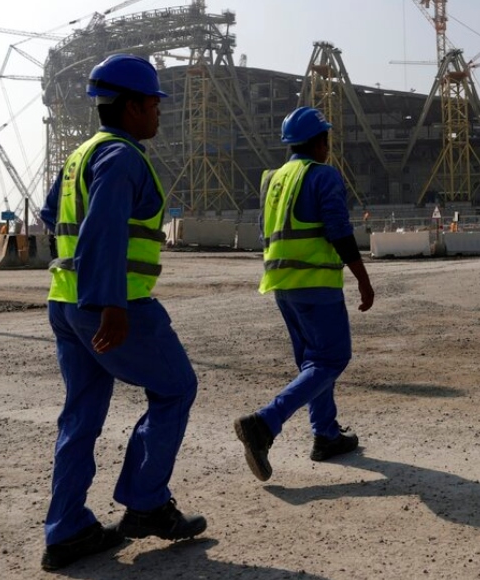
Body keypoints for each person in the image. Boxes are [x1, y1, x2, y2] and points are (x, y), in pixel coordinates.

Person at [39, 54, 206, 571]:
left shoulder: (79, 155)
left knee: (82, 415)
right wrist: (112, 303)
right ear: (132, 107)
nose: (159, 113)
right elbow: (106, 226)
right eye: (154, 103)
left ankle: (66, 530)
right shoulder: (123, 156)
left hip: (65, 303)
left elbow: (52, 216)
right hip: (115, 305)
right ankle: (146, 504)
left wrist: (87, 293)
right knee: (176, 388)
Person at [234, 107, 375, 482]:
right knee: (331, 359)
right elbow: (338, 231)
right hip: (316, 283)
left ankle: (325, 434)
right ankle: (265, 423)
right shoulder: (321, 175)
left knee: (313, 362)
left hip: (281, 284)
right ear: (319, 141)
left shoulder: (273, 179)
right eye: (326, 139)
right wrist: (362, 277)